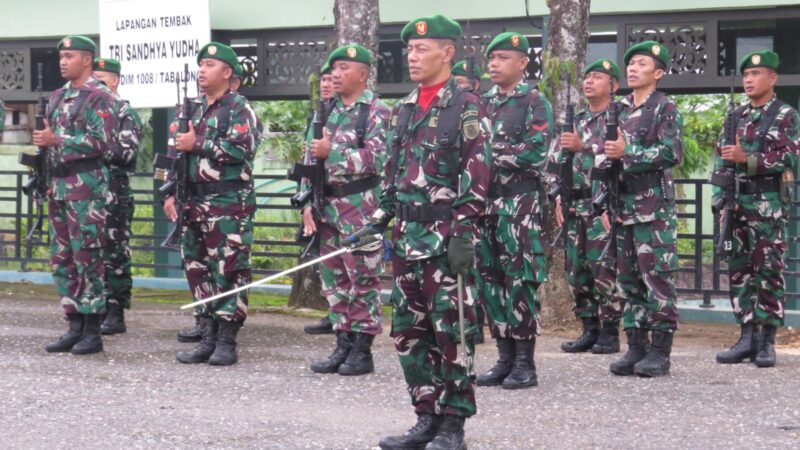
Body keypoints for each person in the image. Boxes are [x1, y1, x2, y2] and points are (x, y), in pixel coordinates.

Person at [358, 14, 490, 450]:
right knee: (409, 333)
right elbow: (394, 172)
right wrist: (379, 217)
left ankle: (454, 424)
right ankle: (425, 416)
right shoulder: (406, 106)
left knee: (452, 332)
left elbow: (477, 172)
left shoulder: (466, 104)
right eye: (409, 50)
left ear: (447, 52)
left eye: (421, 49)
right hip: (408, 238)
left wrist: (464, 231)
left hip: (445, 237)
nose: (412, 57)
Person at [163, 42, 258, 366]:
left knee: (229, 269)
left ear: (227, 72)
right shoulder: (189, 110)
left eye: (210, 64)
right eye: (201, 64)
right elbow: (172, 156)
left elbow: (242, 150)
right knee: (196, 267)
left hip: (228, 203)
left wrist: (198, 143)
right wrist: (169, 194)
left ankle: (227, 340)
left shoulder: (238, 108)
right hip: (192, 201)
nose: (202, 70)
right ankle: (206, 334)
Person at [302, 44, 391, 376]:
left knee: (362, 278)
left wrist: (334, 153)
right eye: (333, 69)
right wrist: (308, 203)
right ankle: (342, 343)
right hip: (327, 207)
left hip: (361, 207)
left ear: (362, 75)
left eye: (342, 68)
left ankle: (362, 349)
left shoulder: (378, 111)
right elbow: (311, 159)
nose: (335, 75)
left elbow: (380, 159)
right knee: (334, 279)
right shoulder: (327, 111)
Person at [473, 31, 552, 390]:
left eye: (503, 57)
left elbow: (535, 153)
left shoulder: (535, 102)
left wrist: (491, 154)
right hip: (484, 205)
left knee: (520, 281)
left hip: (519, 206)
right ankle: (504, 358)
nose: (494, 64)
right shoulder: (478, 103)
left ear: (522, 63)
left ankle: (525, 363)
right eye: (491, 58)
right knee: (490, 282)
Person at [712, 50, 800, 368]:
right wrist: (720, 200)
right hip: (737, 203)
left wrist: (746, 159)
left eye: (756, 74)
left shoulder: (786, 115)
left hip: (768, 206)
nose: (749, 80)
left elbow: (788, 158)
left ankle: (767, 341)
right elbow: (722, 160)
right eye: (746, 75)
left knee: (768, 273)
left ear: (772, 77)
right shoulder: (735, 116)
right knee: (739, 272)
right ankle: (746, 336)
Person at [33, 35, 116, 355]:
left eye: (70, 56)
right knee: (63, 259)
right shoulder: (56, 97)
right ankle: (74, 324)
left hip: (86, 190)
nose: (63, 61)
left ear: (87, 60)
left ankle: (93, 329)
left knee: (87, 257)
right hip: (58, 187)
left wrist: (57, 140)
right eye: (61, 56)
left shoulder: (100, 97)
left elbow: (103, 142)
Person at [605, 41, 683, 377]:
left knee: (657, 279)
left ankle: (659, 351)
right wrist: (603, 202)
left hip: (653, 208)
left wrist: (629, 152)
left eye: (642, 63)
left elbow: (671, 153)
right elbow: (606, 159)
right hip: (622, 206)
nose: (633, 68)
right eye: (631, 63)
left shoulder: (665, 108)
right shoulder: (618, 109)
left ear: (659, 72)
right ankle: (635, 346)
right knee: (628, 280)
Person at [556, 59, 622, 354]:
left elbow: (616, 159)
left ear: (614, 86)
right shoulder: (576, 120)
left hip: (601, 207)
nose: (589, 82)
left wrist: (583, 146)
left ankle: (610, 330)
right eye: (586, 77)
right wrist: (558, 195)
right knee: (576, 270)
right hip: (574, 205)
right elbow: (555, 161)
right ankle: (588, 327)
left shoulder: (619, 119)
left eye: (597, 77)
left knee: (603, 269)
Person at [92, 57, 142, 335]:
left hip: (114, 192)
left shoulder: (123, 112)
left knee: (114, 253)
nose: (96, 85)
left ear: (115, 80)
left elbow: (125, 152)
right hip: (88, 193)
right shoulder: (88, 111)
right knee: (90, 252)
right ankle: (94, 306)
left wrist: (88, 147)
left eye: (101, 79)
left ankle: (116, 310)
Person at [302, 59, 340, 336]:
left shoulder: (347, 114)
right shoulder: (318, 115)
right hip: (317, 195)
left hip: (342, 199)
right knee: (324, 260)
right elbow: (307, 159)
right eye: (323, 80)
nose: (326, 85)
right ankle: (333, 311)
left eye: (331, 79)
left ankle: (341, 317)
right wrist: (304, 201)